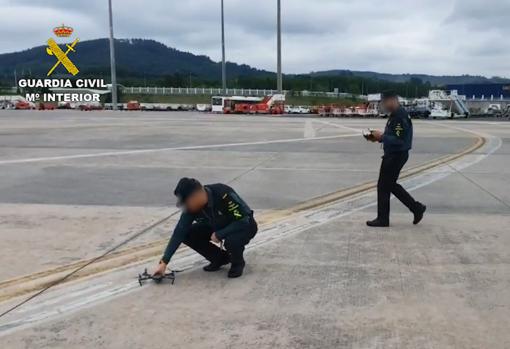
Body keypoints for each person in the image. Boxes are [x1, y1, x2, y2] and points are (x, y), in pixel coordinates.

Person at [153, 178, 257, 278]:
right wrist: (164, 262)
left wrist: (220, 234)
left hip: (244, 225)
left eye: (186, 202)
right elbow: (179, 231)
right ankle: (220, 259)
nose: (185, 206)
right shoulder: (192, 208)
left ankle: (237, 263)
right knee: (187, 234)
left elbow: (243, 220)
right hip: (216, 225)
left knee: (231, 241)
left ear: (195, 196)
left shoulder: (223, 194)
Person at [366, 91, 426, 227]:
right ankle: (416, 208)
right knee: (389, 185)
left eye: (385, 102)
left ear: (393, 100)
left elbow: (399, 140)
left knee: (383, 185)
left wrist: (381, 137)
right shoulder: (396, 115)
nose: (384, 105)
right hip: (394, 154)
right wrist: (377, 138)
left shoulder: (399, 116)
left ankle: (384, 219)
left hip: (396, 155)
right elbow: (394, 136)